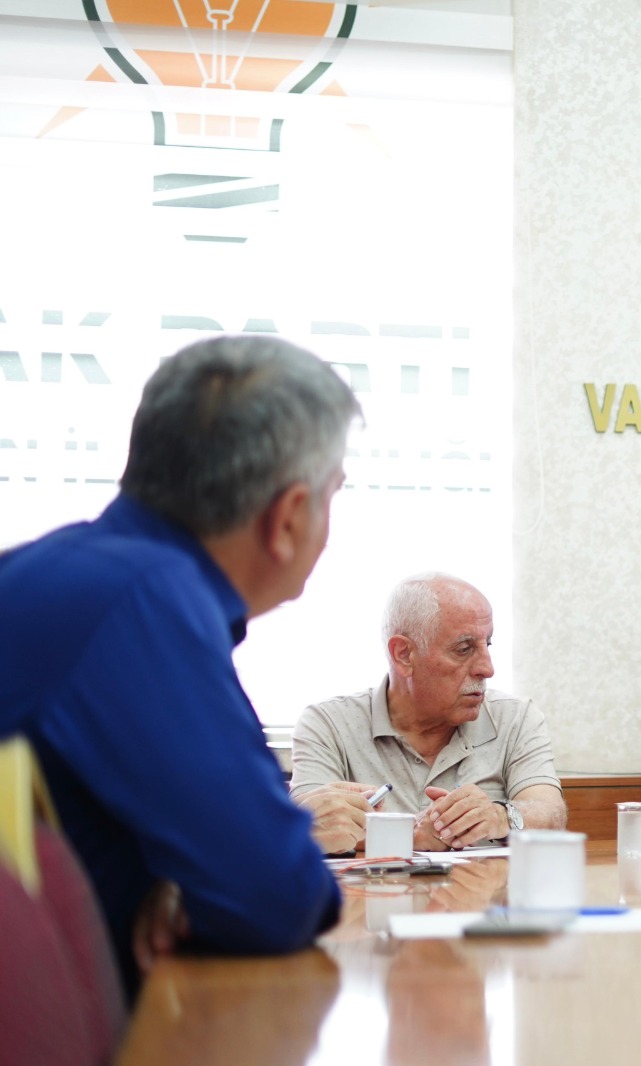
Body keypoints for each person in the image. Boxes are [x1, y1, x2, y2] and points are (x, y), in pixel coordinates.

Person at [0, 335, 357, 999]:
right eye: (333, 493)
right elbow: (280, 896)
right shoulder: (142, 603)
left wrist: (173, 882)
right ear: (288, 518)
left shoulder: (66, 571)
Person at [290, 573, 565, 851]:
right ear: (403, 654)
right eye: (464, 649)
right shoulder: (328, 724)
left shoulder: (516, 717)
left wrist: (499, 816)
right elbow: (306, 827)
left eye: (488, 644)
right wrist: (411, 836)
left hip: (482, 881)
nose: (488, 668)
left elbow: (551, 814)